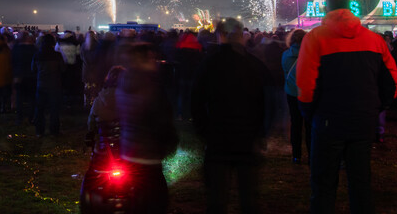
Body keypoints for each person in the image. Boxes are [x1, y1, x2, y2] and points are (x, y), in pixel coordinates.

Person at [296, 0, 397, 214]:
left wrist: (309, 113)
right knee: (361, 183)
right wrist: (376, 108)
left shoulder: (315, 38)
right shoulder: (374, 40)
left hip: (327, 122)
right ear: (350, 5)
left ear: (326, 7)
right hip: (363, 121)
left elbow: (305, 84)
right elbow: (393, 81)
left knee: (323, 185)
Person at [192, 18, 270, 214]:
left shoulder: (209, 64)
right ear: (240, 35)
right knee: (249, 199)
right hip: (248, 139)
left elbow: (196, 101)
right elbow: (267, 101)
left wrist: (203, 131)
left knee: (217, 199)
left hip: (218, 139)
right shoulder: (254, 65)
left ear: (221, 35)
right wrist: (261, 133)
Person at [116, 42, 178, 214]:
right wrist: (169, 143)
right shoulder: (151, 85)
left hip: (129, 151)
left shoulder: (124, 80)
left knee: (135, 200)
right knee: (155, 201)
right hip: (148, 154)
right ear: (146, 58)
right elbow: (161, 120)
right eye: (152, 57)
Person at [282, 28, 311, 164]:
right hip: (307, 92)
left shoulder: (286, 55)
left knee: (296, 124)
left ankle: (296, 154)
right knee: (310, 125)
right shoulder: (310, 54)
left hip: (292, 92)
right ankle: (311, 153)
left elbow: (285, 71)